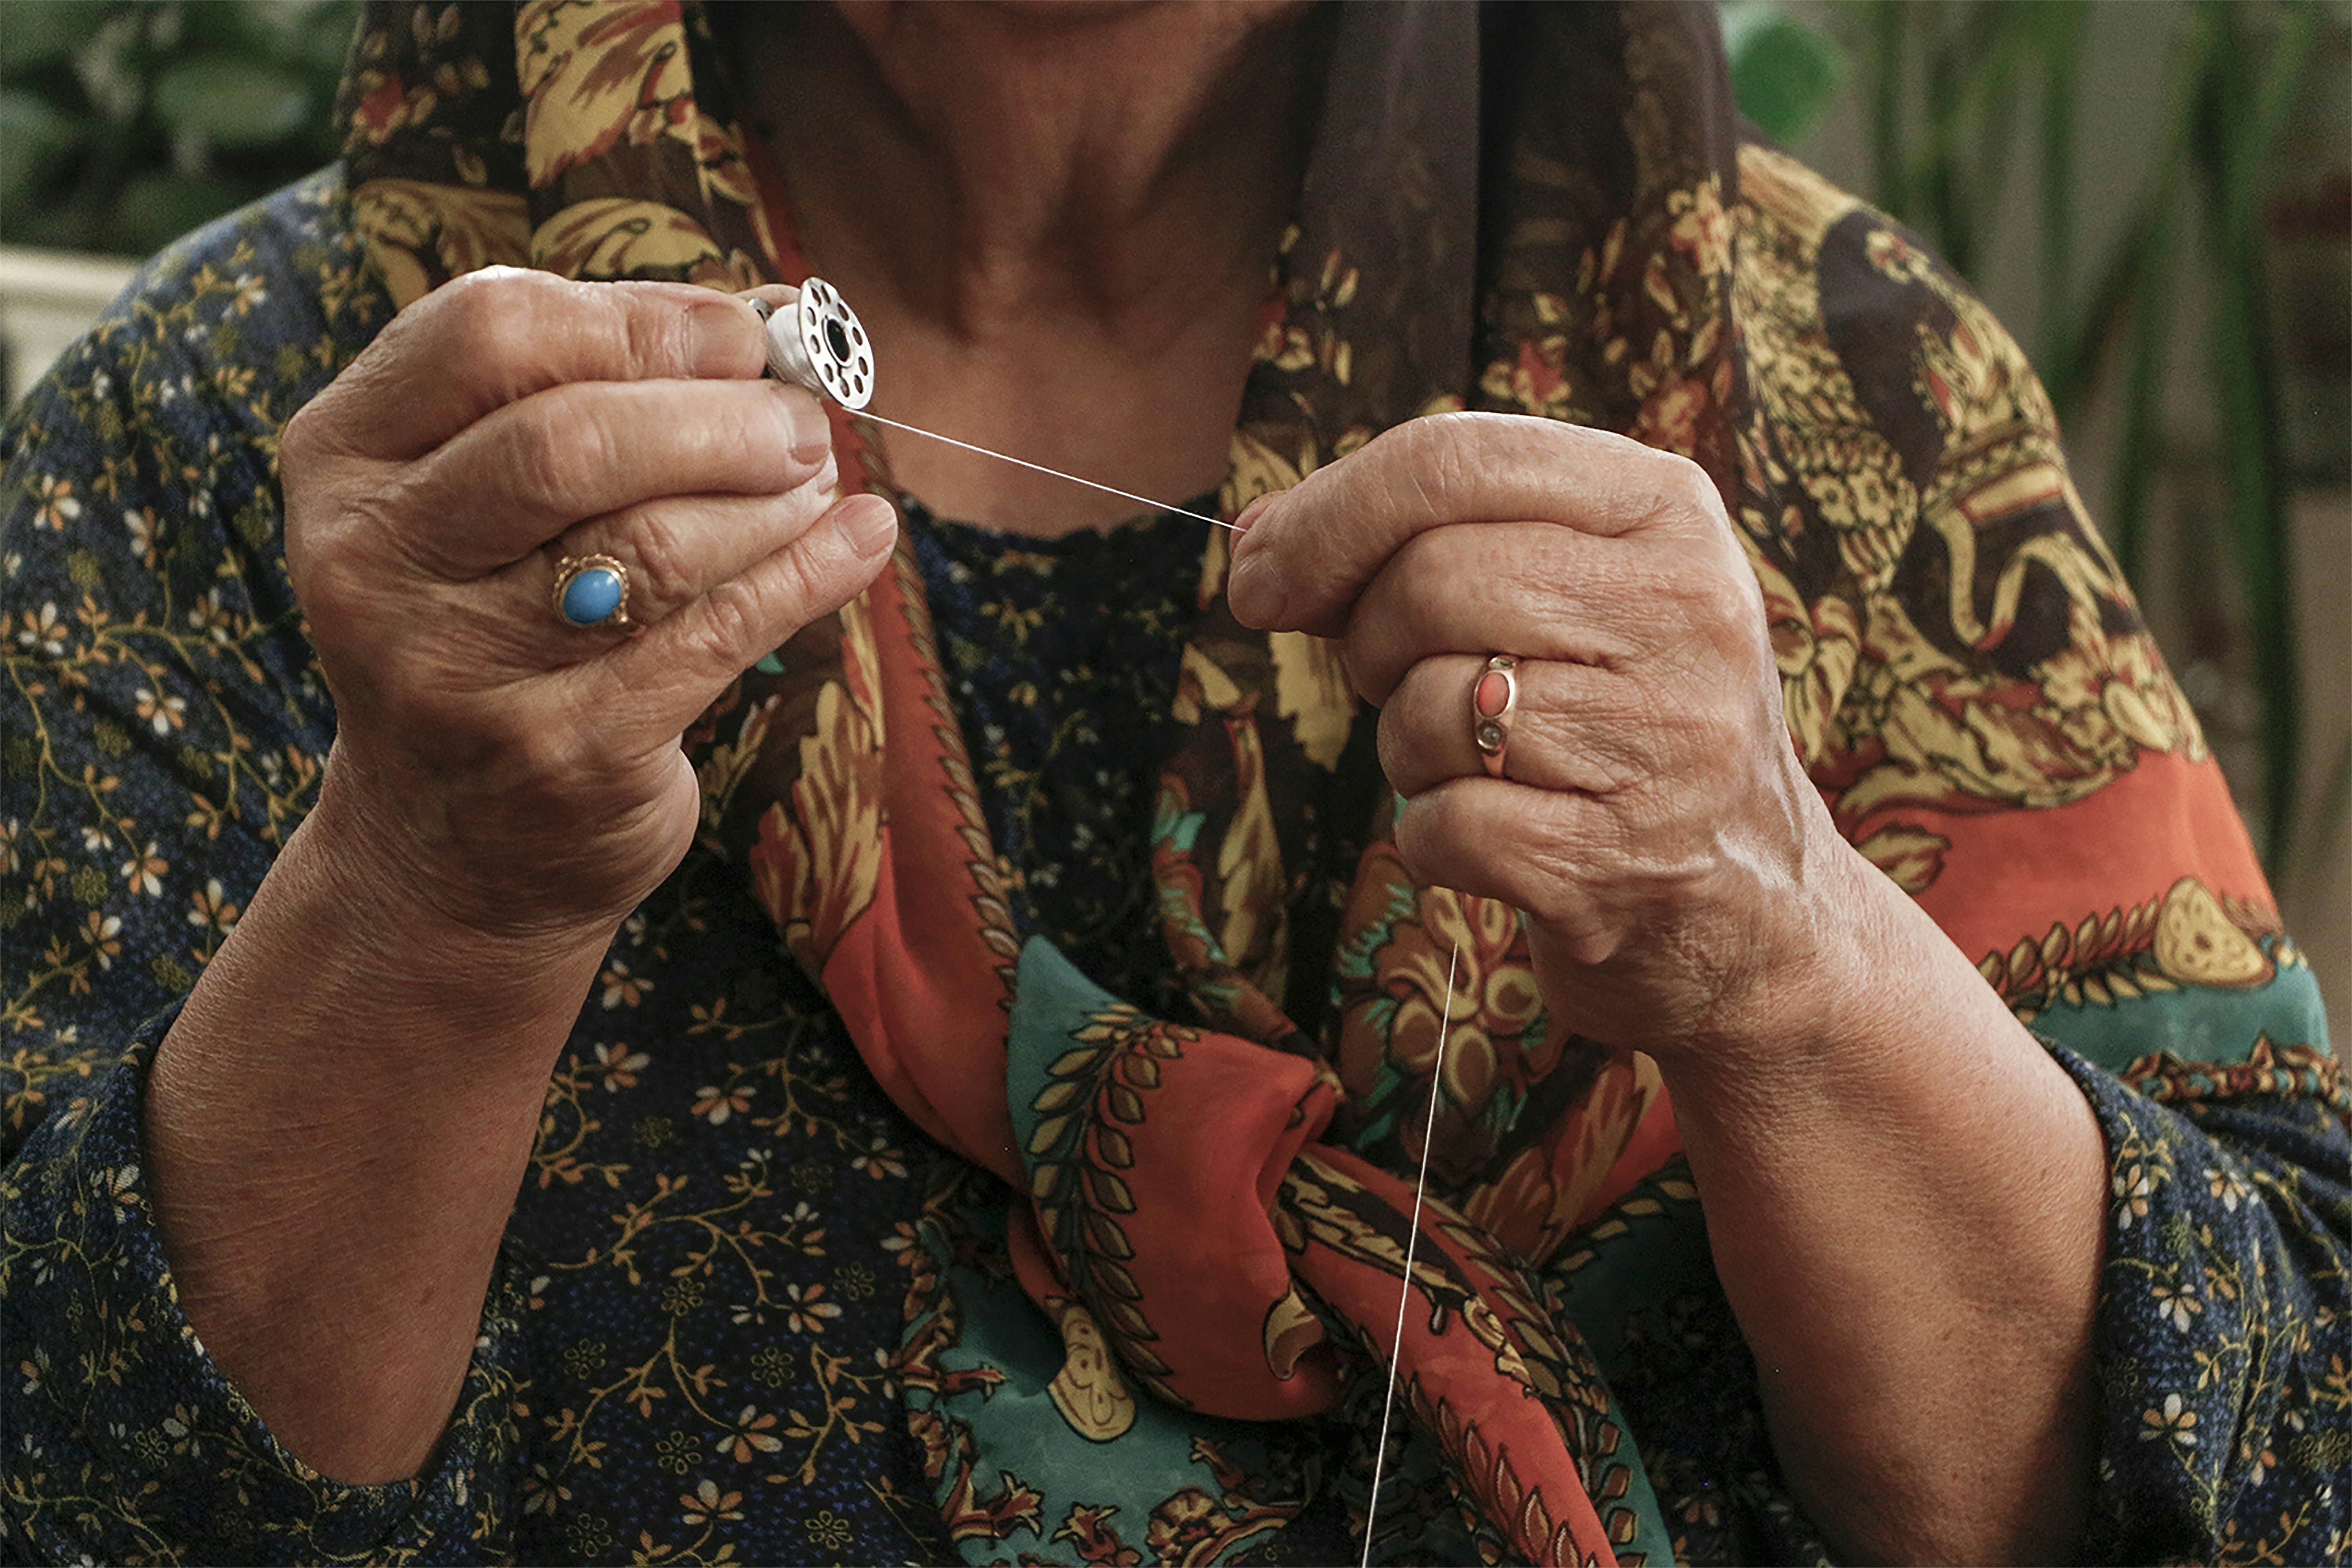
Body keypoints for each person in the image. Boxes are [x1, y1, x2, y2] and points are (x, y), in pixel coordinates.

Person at [2, 2, 2343, 1564]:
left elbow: (2274, 1455)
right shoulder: (311, 444)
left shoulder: (1824, 398)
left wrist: (1786, 949)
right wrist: (426, 892)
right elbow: (84, 1490)